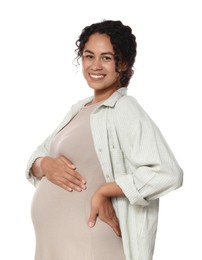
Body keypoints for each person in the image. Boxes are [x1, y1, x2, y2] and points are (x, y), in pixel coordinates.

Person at [26, 20, 183, 260]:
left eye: (107, 58)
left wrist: (105, 191)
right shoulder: (81, 109)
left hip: (90, 245)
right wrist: (44, 164)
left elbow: (168, 173)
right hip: (56, 245)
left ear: (123, 64)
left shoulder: (123, 109)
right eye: (89, 56)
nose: (95, 66)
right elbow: (40, 153)